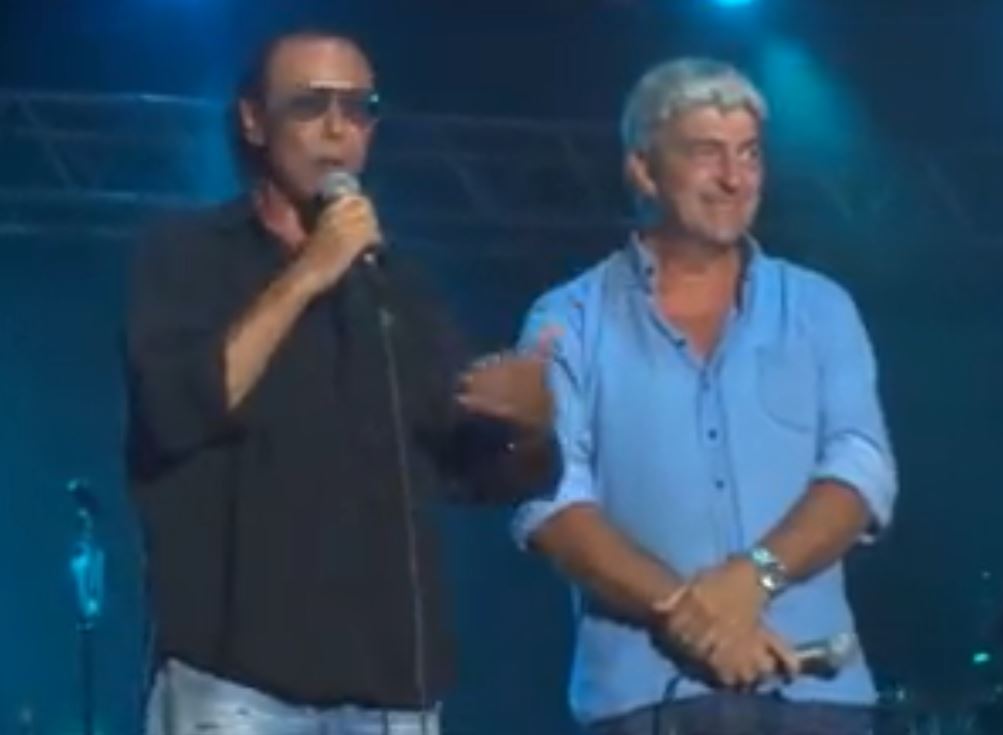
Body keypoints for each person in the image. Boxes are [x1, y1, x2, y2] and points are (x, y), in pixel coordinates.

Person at [125, 28, 559, 735]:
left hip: (390, 695)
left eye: (359, 108)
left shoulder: (396, 287)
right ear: (254, 120)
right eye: (310, 105)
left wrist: (531, 423)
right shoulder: (188, 256)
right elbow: (175, 407)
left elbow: (471, 471)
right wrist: (310, 270)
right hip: (237, 688)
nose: (337, 128)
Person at [513, 57, 898, 734]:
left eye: (748, 154)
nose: (734, 178)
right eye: (706, 153)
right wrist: (690, 613)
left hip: (815, 693)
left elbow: (860, 468)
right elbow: (549, 502)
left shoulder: (820, 308)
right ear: (642, 169)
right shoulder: (567, 320)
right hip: (643, 701)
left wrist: (754, 577)